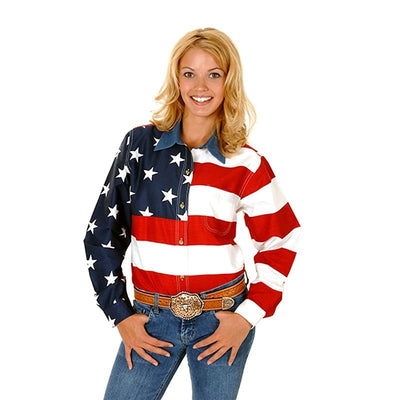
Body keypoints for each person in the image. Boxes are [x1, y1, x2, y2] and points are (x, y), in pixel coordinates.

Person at [84, 27, 301, 400]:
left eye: (214, 74)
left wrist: (247, 317)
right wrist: (121, 316)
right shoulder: (140, 146)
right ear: (176, 78)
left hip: (222, 320)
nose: (201, 86)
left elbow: (282, 238)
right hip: (150, 321)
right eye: (189, 73)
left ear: (229, 81)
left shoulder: (246, 162)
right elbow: (102, 234)